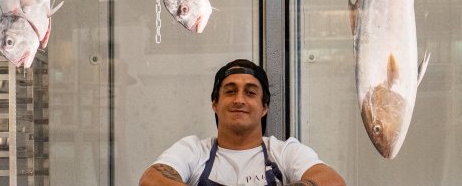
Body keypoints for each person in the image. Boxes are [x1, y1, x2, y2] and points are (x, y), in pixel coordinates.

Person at [139, 59, 346, 186]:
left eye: (250, 92)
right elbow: (151, 180)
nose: (239, 100)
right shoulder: (193, 150)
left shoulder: (284, 152)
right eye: (230, 91)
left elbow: (332, 181)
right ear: (215, 104)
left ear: (264, 107)